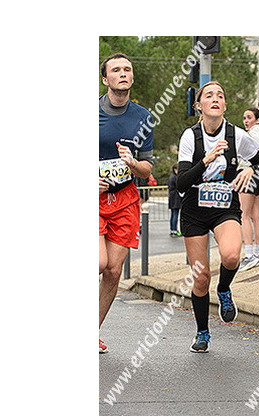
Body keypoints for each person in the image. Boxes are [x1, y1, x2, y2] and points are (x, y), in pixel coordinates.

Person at [177, 81, 259, 353]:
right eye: (209, 95)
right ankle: (202, 332)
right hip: (194, 208)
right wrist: (205, 161)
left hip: (225, 206)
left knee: (231, 256)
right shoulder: (190, 137)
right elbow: (182, 182)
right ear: (199, 105)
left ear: (225, 105)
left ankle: (225, 289)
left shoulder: (237, 135)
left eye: (220, 95)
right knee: (201, 276)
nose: (215, 99)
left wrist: (250, 170)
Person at [99, 53, 154, 353]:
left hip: (124, 199)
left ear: (132, 77)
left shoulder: (143, 117)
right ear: (105, 79)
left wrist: (132, 163)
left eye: (127, 69)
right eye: (116, 70)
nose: (123, 73)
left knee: (113, 271)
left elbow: (147, 169)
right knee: (99, 262)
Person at [238, 107, 259, 271]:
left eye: (249, 117)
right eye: (244, 118)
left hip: (247, 173)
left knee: (244, 215)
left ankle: (249, 254)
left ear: (257, 119)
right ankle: (258, 252)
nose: (246, 121)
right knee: (256, 216)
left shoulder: (250, 135)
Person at [168, 163, 182, 237]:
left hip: (172, 198)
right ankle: (174, 230)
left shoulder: (172, 176)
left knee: (173, 214)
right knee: (175, 215)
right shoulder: (175, 177)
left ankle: (173, 230)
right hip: (175, 198)